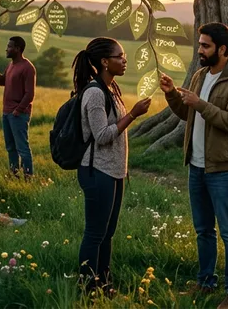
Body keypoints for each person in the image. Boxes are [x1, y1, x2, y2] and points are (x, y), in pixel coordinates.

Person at [160, 22, 228, 309]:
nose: (200, 50)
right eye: (199, 44)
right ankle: (205, 281)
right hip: (196, 166)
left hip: (224, 167)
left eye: (205, 45)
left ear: (222, 50)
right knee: (203, 230)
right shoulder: (200, 75)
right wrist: (173, 94)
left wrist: (199, 103)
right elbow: (188, 114)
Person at [72, 37, 151, 297]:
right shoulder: (95, 92)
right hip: (97, 172)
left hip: (113, 171)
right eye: (120, 56)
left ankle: (104, 286)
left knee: (108, 234)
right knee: (95, 234)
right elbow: (102, 135)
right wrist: (134, 114)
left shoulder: (111, 88)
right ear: (105, 62)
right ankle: (86, 290)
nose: (124, 60)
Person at [0, 35, 37, 176]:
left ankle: (28, 178)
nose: (6, 49)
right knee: (10, 148)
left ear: (17, 49)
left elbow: (30, 94)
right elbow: (2, 81)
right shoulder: (11, 65)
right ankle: (14, 175)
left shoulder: (27, 67)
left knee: (22, 148)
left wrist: (18, 111)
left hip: (18, 114)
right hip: (7, 113)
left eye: (9, 46)